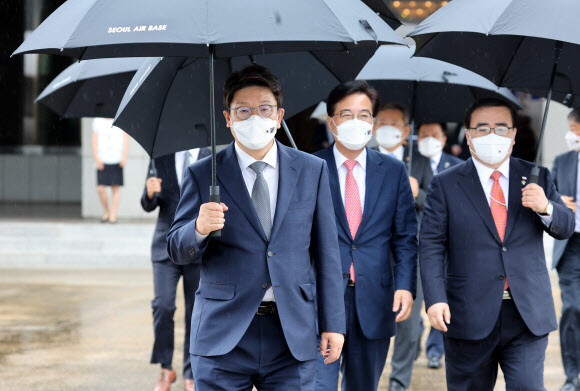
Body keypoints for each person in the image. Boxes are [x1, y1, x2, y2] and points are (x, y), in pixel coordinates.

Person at [166, 65, 345, 391]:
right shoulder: (203, 173)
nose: (255, 118)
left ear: (279, 116)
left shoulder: (311, 169)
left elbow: (328, 254)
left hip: (291, 334)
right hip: (223, 336)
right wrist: (198, 227)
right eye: (243, 111)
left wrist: (334, 323)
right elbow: (177, 249)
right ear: (228, 118)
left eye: (264, 109)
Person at [420, 98, 575, 390]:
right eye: (482, 128)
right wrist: (435, 298)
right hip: (467, 312)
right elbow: (430, 245)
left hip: (526, 313)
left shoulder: (536, 176)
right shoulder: (446, 183)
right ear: (468, 135)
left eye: (501, 128)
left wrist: (545, 207)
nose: (492, 135)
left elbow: (565, 227)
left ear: (514, 134)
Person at [314, 82, 418, 391]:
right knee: (317, 384)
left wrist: (405, 286)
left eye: (364, 114)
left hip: (374, 298)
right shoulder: (308, 167)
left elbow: (405, 237)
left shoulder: (393, 170)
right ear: (331, 122)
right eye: (346, 114)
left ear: (371, 122)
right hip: (321, 298)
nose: (356, 121)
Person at [141, 147, 211, 391]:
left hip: (196, 246)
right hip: (164, 245)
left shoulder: (210, 156)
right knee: (162, 306)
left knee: (195, 312)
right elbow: (148, 204)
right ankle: (165, 368)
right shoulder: (160, 155)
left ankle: (191, 371)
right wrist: (149, 194)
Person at [372, 103, 430, 391]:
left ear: (407, 130)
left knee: (407, 323)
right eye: (381, 122)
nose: (386, 127)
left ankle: (398, 380)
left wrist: (418, 193)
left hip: (410, 252)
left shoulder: (420, 161)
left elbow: (437, 202)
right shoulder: (366, 160)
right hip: (373, 254)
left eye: (393, 123)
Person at [416, 122, 463, 371]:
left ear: (444, 139)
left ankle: (435, 350)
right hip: (413, 243)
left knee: (440, 298)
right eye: (423, 134)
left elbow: (449, 207)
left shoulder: (456, 167)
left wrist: (418, 194)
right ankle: (414, 338)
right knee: (414, 301)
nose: (428, 139)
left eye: (434, 135)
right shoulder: (408, 164)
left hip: (446, 244)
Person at [552, 107, 580, 391]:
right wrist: (561, 204)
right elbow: (551, 196)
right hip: (571, 245)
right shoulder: (562, 161)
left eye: (577, 129)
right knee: (572, 308)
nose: (572, 135)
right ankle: (572, 375)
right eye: (571, 127)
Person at [91, 117, 129, 224]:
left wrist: (124, 156)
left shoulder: (121, 119)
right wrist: (96, 157)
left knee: (115, 188)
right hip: (102, 159)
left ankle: (113, 215)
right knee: (100, 188)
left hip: (117, 158)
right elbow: (94, 140)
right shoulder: (97, 120)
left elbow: (126, 138)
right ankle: (107, 212)